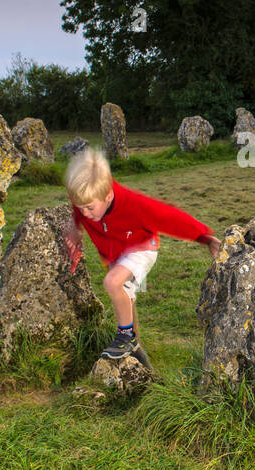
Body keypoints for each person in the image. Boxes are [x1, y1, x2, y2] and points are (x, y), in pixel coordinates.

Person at [61, 146, 222, 365]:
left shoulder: (134, 205)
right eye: (81, 208)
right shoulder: (86, 200)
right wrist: (74, 229)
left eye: (89, 208)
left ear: (108, 195)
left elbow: (171, 218)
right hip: (116, 252)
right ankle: (135, 350)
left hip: (142, 248)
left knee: (112, 282)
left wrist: (205, 238)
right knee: (125, 299)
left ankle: (126, 336)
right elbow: (77, 213)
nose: (85, 214)